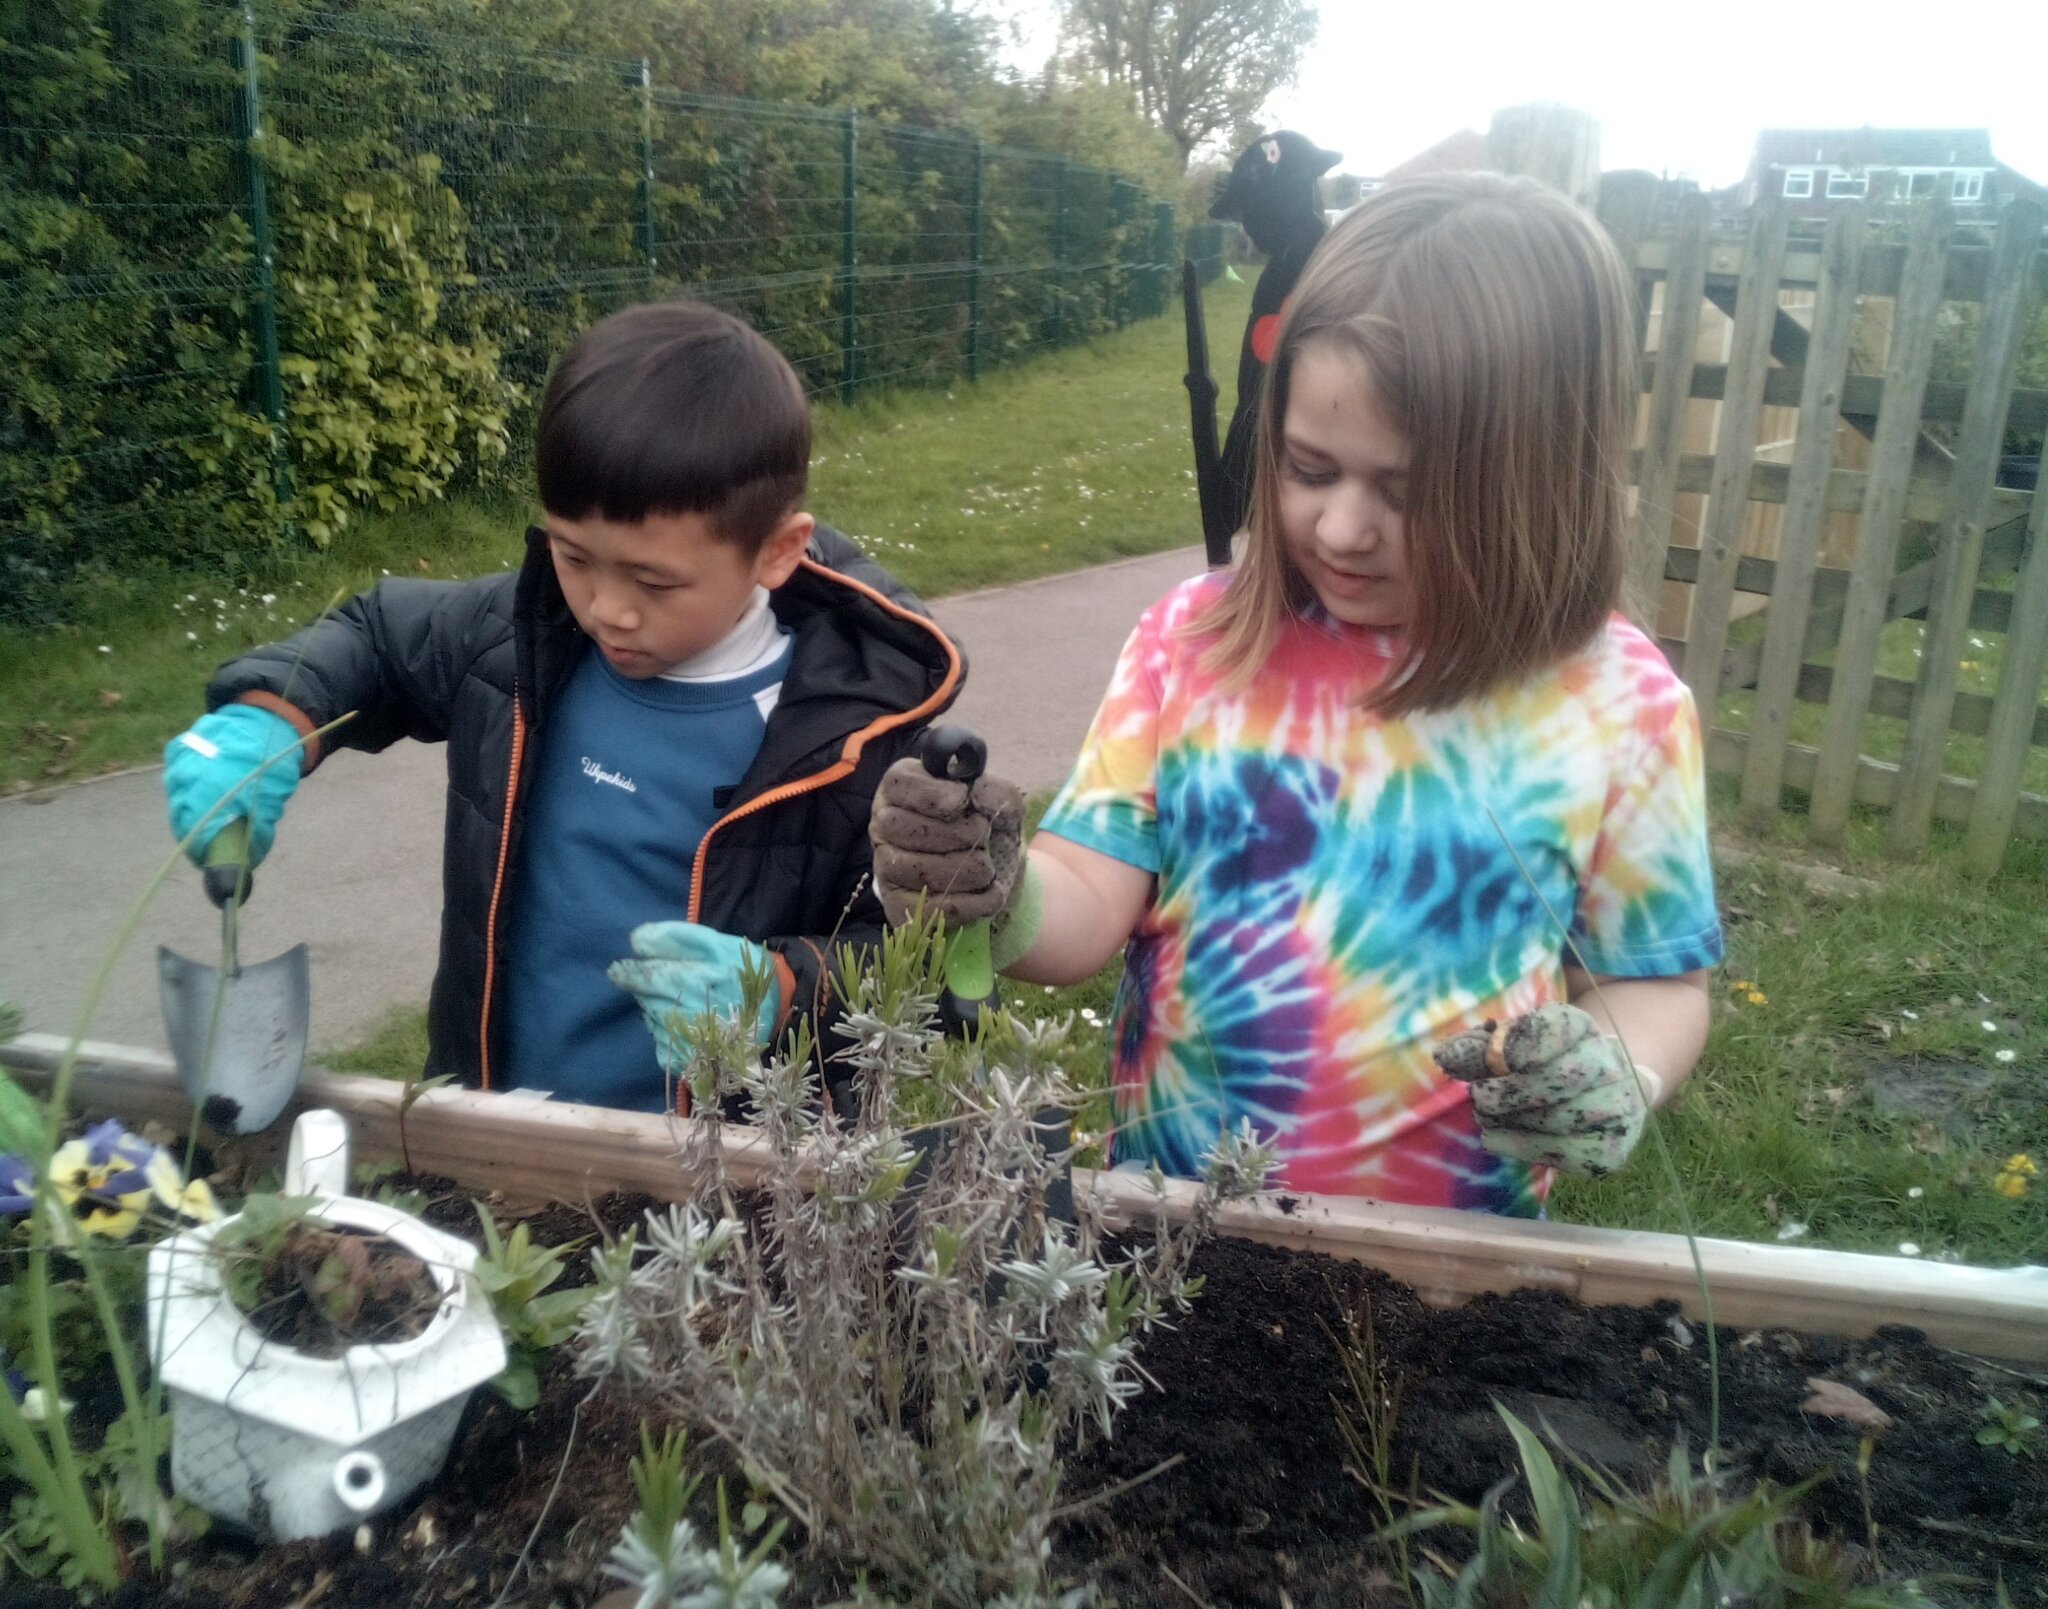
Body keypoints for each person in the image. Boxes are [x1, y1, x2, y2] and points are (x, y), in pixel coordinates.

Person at [868, 175, 1722, 1215]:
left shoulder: (1615, 699)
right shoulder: (1198, 641)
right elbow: (1089, 905)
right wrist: (998, 891)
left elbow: (1655, 980)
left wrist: (1615, 1071)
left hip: (1457, 1269)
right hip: (1179, 1246)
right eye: (1309, 469)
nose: (1340, 530)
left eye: (1405, 493)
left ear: (1537, 478)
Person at [163, 301, 962, 1112]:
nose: (607, 609)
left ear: (777, 551)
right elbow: (374, 637)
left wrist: (785, 989)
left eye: (653, 582)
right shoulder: (521, 637)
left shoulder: (861, 730)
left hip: (726, 1192)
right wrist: (268, 719)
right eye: (574, 556)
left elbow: (932, 969)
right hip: (500, 1144)